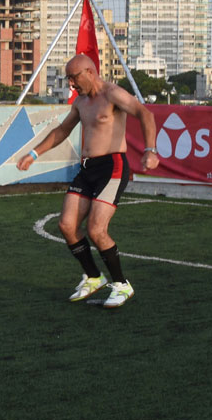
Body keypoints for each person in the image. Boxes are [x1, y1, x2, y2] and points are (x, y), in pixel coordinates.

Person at [16, 53, 160, 308]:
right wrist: (34, 153)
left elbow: (145, 114)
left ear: (90, 72)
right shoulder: (81, 102)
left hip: (112, 167)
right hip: (87, 169)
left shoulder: (113, 94)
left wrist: (151, 149)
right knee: (67, 225)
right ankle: (93, 277)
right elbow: (62, 130)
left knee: (96, 229)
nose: (71, 84)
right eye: (68, 79)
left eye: (74, 77)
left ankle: (121, 285)